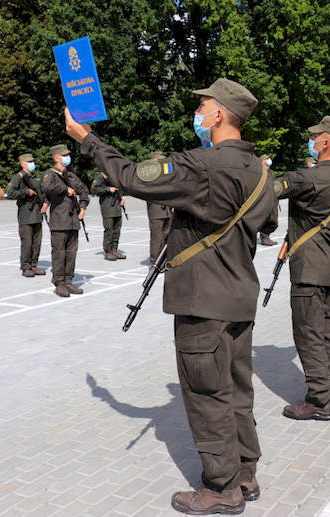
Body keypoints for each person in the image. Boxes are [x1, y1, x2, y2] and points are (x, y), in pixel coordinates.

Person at [64, 77, 278, 515]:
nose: (198, 114)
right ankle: (247, 473)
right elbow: (268, 224)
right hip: (240, 294)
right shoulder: (260, 170)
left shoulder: (202, 165)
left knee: (206, 393)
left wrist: (88, 140)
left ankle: (222, 487)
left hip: (203, 299)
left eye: (202, 106)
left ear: (219, 113)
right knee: (237, 387)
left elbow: (130, 177)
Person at [274, 116, 330, 421]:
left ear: (324, 143)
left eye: (315, 136)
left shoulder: (307, 178)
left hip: (309, 266)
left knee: (308, 332)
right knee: (328, 330)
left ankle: (320, 400)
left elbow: (269, 190)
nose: (311, 140)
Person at [42, 144, 89, 297]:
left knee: (71, 253)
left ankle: (69, 281)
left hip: (73, 220)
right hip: (59, 220)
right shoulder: (51, 174)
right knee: (59, 253)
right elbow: (46, 187)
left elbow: (84, 190)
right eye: (64, 155)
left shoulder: (71, 175)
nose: (67, 157)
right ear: (56, 157)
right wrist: (65, 189)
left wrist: (82, 207)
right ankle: (59, 283)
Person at [5, 153, 48, 276]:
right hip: (25, 214)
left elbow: (42, 193)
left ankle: (34, 266)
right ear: (22, 163)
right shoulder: (18, 177)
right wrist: (25, 192)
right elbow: (10, 193)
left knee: (37, 243)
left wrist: (45, 203)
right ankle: (25, 267)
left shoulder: (36, 177)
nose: (32, 163)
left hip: (37, 214)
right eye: (29, 161)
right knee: (27, 243)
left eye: (32, 161)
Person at [143, 151, 173, 263]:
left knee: (167, 235)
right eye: (159, 161)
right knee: (157, 237)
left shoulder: (166, 174)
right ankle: (154, 260)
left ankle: (164, 259)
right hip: (156, 210)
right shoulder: (148, 175)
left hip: (167, 209)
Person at [90, 170, 127, 261]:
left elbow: (119, 188)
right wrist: (107, 189)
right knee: (109, 229)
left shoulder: (113, 177)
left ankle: (114, 249)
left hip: (117, 207)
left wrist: (121, 198)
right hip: (107, 208)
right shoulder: (100, 178)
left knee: (117, 229)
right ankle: (108, 251)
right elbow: (93, 190)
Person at [258, 154, 278, 246]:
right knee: (263, 218)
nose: (269, 160)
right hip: (263, 199)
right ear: (262, 161)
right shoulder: (259, 173)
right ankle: (264, 237)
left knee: (273, 219)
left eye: (269, 158)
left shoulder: (271, 172)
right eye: (267, 159)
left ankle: (266, 236)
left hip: (273, 199)